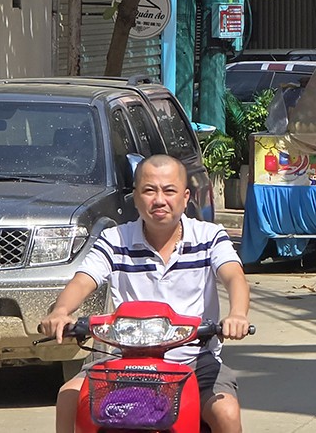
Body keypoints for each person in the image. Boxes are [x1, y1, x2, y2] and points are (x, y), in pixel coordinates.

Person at [41, 155, 252, 433]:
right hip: (123, 360)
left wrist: (237, 314)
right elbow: (83, 280)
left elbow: (234, 276)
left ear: (186, 196)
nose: (159, 200)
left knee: (225, 412)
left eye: (169, 190)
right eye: (149, 190)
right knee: (69, 397)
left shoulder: (209, 237)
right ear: (136, 197)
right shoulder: (115, 240)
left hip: (194, 361)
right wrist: (61, 311)